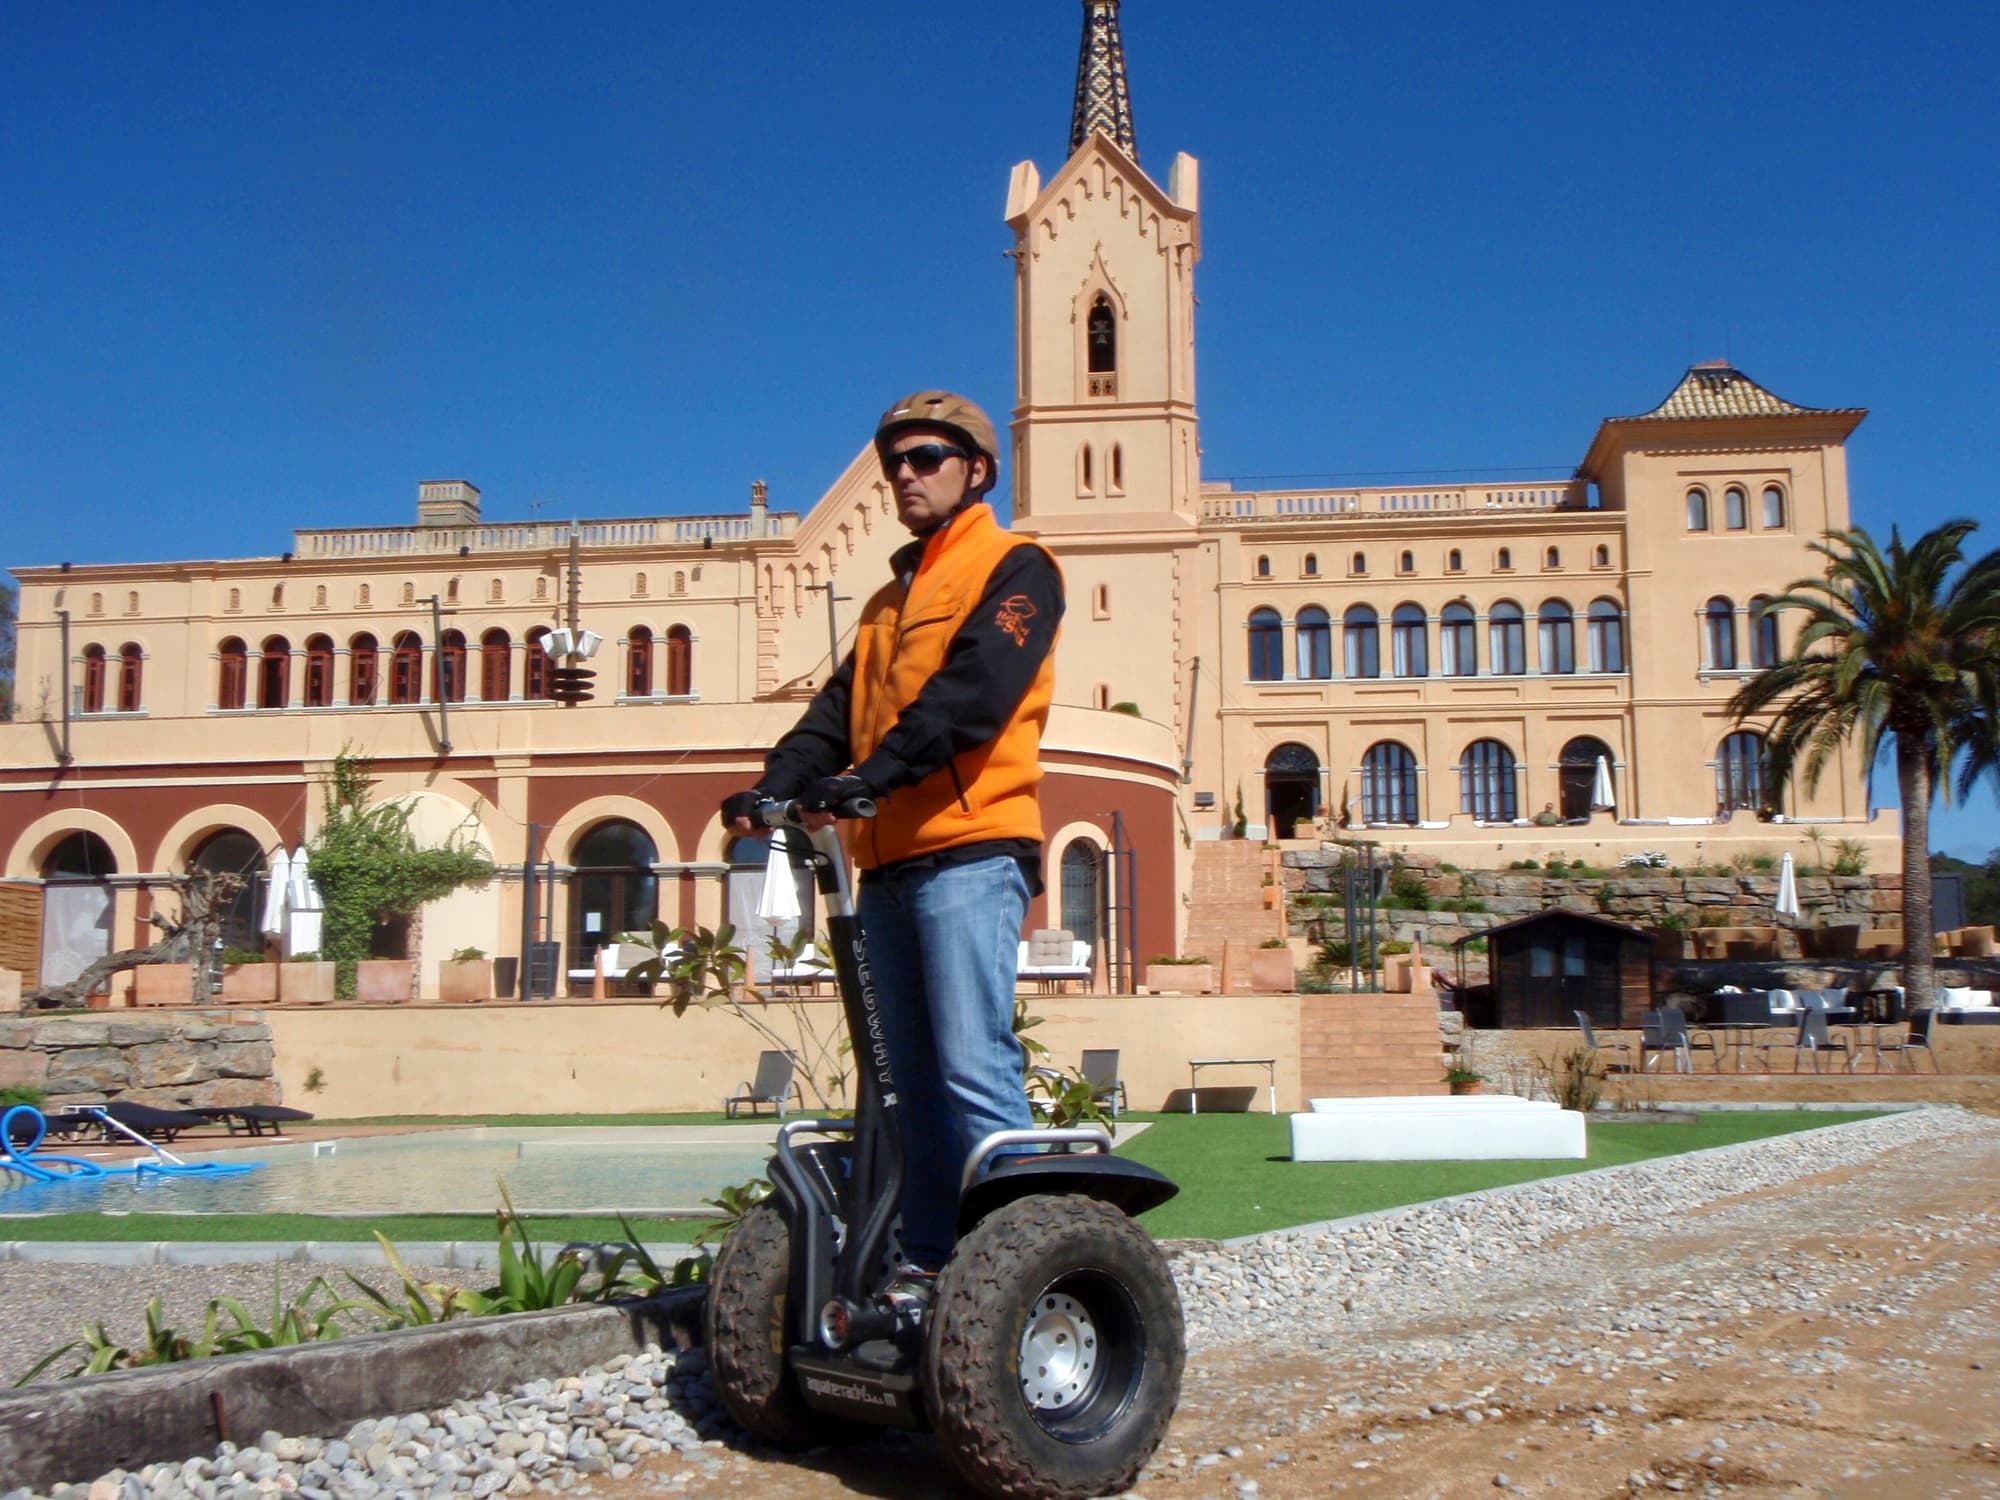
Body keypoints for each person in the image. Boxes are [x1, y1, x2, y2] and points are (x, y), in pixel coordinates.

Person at [720, 389, 1064, 1300]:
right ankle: (925, 1261)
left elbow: (975, 692)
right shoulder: (885, 600)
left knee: (968, 1062)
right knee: (901, 1077)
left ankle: (1018, 1270)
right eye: (894, 463)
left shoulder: (1017, 568)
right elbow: (834, 713)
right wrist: (775, 784)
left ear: (976, 471)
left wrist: (877, 776)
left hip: (972, 847)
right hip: (886, 865)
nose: (904, 476)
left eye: (925, 459)